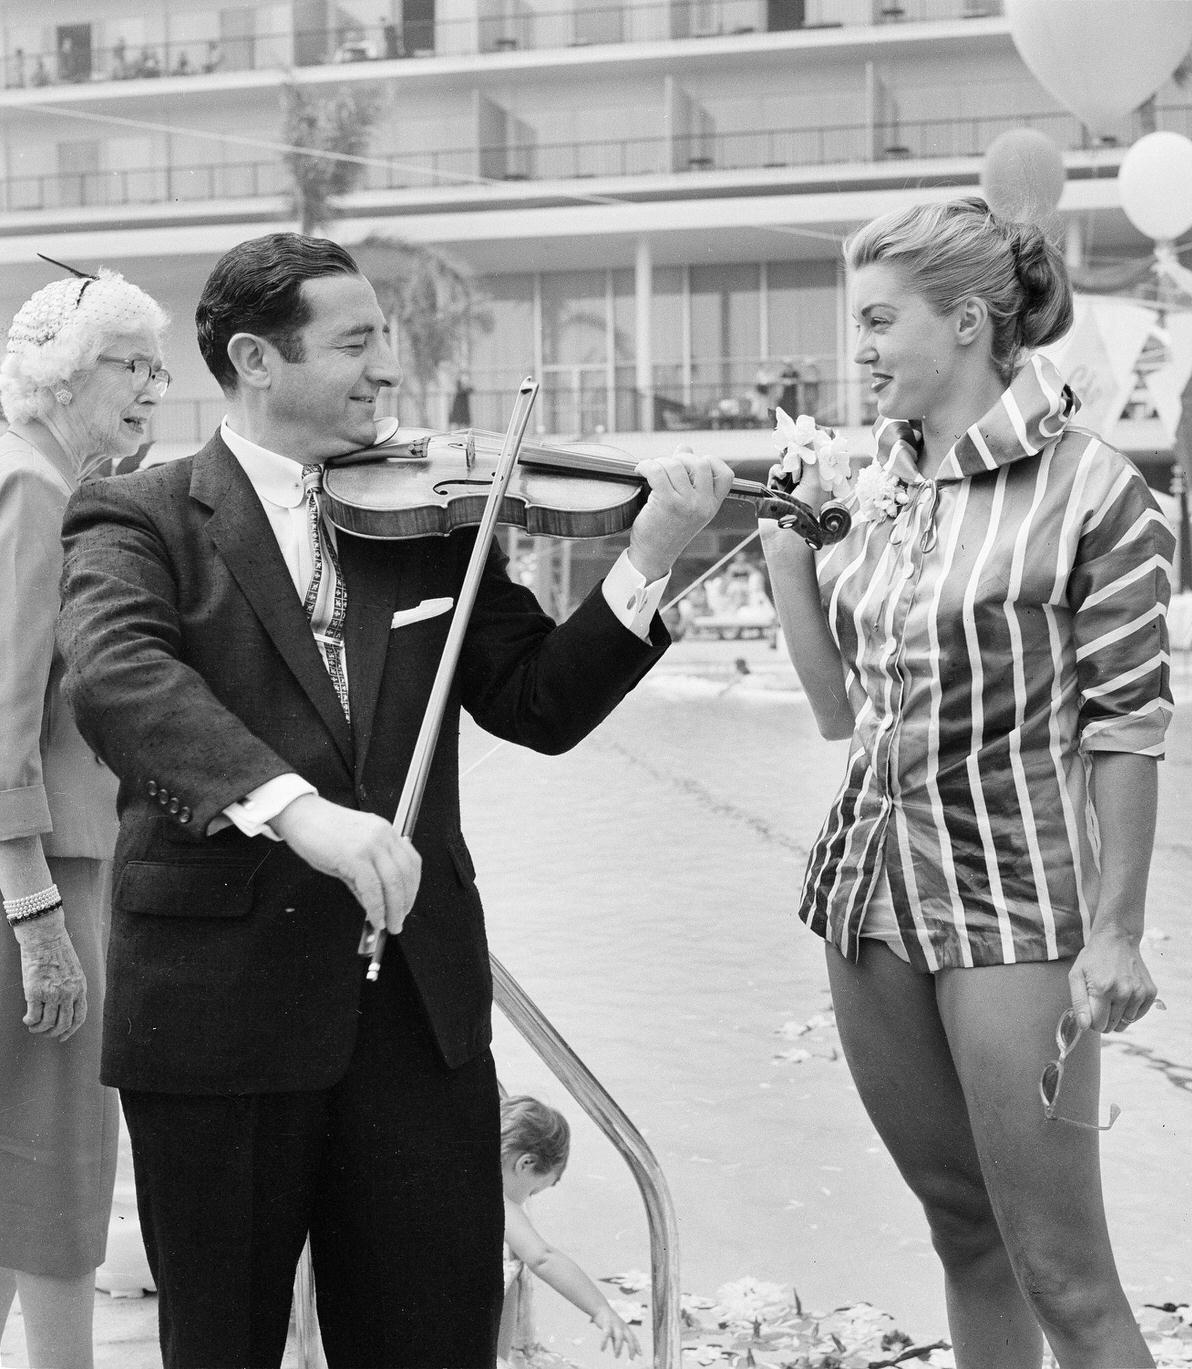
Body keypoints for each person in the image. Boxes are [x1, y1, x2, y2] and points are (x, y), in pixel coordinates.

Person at [57, 231, 732, 1368]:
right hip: (216, 1017)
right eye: (357, 341)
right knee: (220, 1345)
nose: (387, 370)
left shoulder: (427, 523)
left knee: (430, 1339)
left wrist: (650, 556)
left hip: (415, 1017)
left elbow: (537, 704)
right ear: (256, 361)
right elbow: (121, 681)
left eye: (387, 342)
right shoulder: (140, 517)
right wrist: (295, 809)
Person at [759, 198, 1174, 1369]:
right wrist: (795, 556)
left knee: (1064, 1273)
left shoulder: (1095, 491)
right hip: (862, 897)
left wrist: (1117, 934)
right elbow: (840, 712)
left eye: (879, 321)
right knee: (963, 1234)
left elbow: (1127, 725)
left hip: (1013, 906)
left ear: (969, 321)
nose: (861, 349)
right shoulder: (882, 487)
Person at [1, 268, 170, 1369]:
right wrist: (35, 908)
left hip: (39, 867)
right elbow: (9, 706)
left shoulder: (46, 475)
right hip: (43, 873)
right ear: (66, 370)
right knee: (59, 1174)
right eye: (133, 363)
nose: (156, 386)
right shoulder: (38, 489)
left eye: (160, 366)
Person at [497, 1096, 639, 1364]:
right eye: (534, 1190)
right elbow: (543, 1257)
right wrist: (600, 1309)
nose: (527, 1201)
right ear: (525, 1164)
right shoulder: (496, 1200)